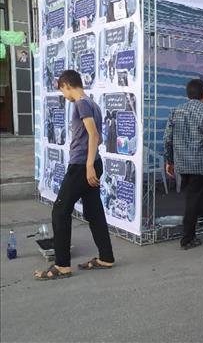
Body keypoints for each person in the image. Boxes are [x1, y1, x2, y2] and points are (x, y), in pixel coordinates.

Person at [34, 70, 115, 281]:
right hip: (91, 164)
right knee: (94, 211)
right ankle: (106, 257)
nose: (64, 95)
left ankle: (62, 266)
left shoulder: (81, 104)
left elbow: (94, 135)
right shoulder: (93, 104)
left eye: (63, 91)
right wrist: (92, 162)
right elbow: (97, 138)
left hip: (81, 166)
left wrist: (88, 165)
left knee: (60, 212)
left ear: (66, 85)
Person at [164, 79, 203, 250]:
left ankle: (193, 230)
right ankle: (188, 238)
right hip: (201, 164)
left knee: (192, 197)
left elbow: (167, 139)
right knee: (193, 199)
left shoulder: (175, 111)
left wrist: (169, 161)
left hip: (182, 163)